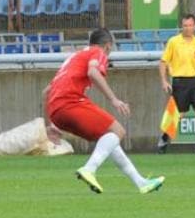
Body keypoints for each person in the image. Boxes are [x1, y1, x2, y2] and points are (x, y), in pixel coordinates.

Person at [44, 28, 164, 196]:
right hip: (70, 102)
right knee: (118, 131)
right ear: (107, 47)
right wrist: (114, 99)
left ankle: (141, 182)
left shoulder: (74, 57)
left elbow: (47, 91)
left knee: (109, 140)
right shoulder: (97, 52)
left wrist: (51, 123)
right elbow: (93, 72)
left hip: (56, 110)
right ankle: (89, 169)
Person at [156, 14, 195, 155]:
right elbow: (163, 62)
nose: (188, 28)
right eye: (185, 25)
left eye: (190, 25)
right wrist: (164, 81)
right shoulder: (174, 42)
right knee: (179, 115)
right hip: (180, 82)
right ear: (181, 26)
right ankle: (164, 138)